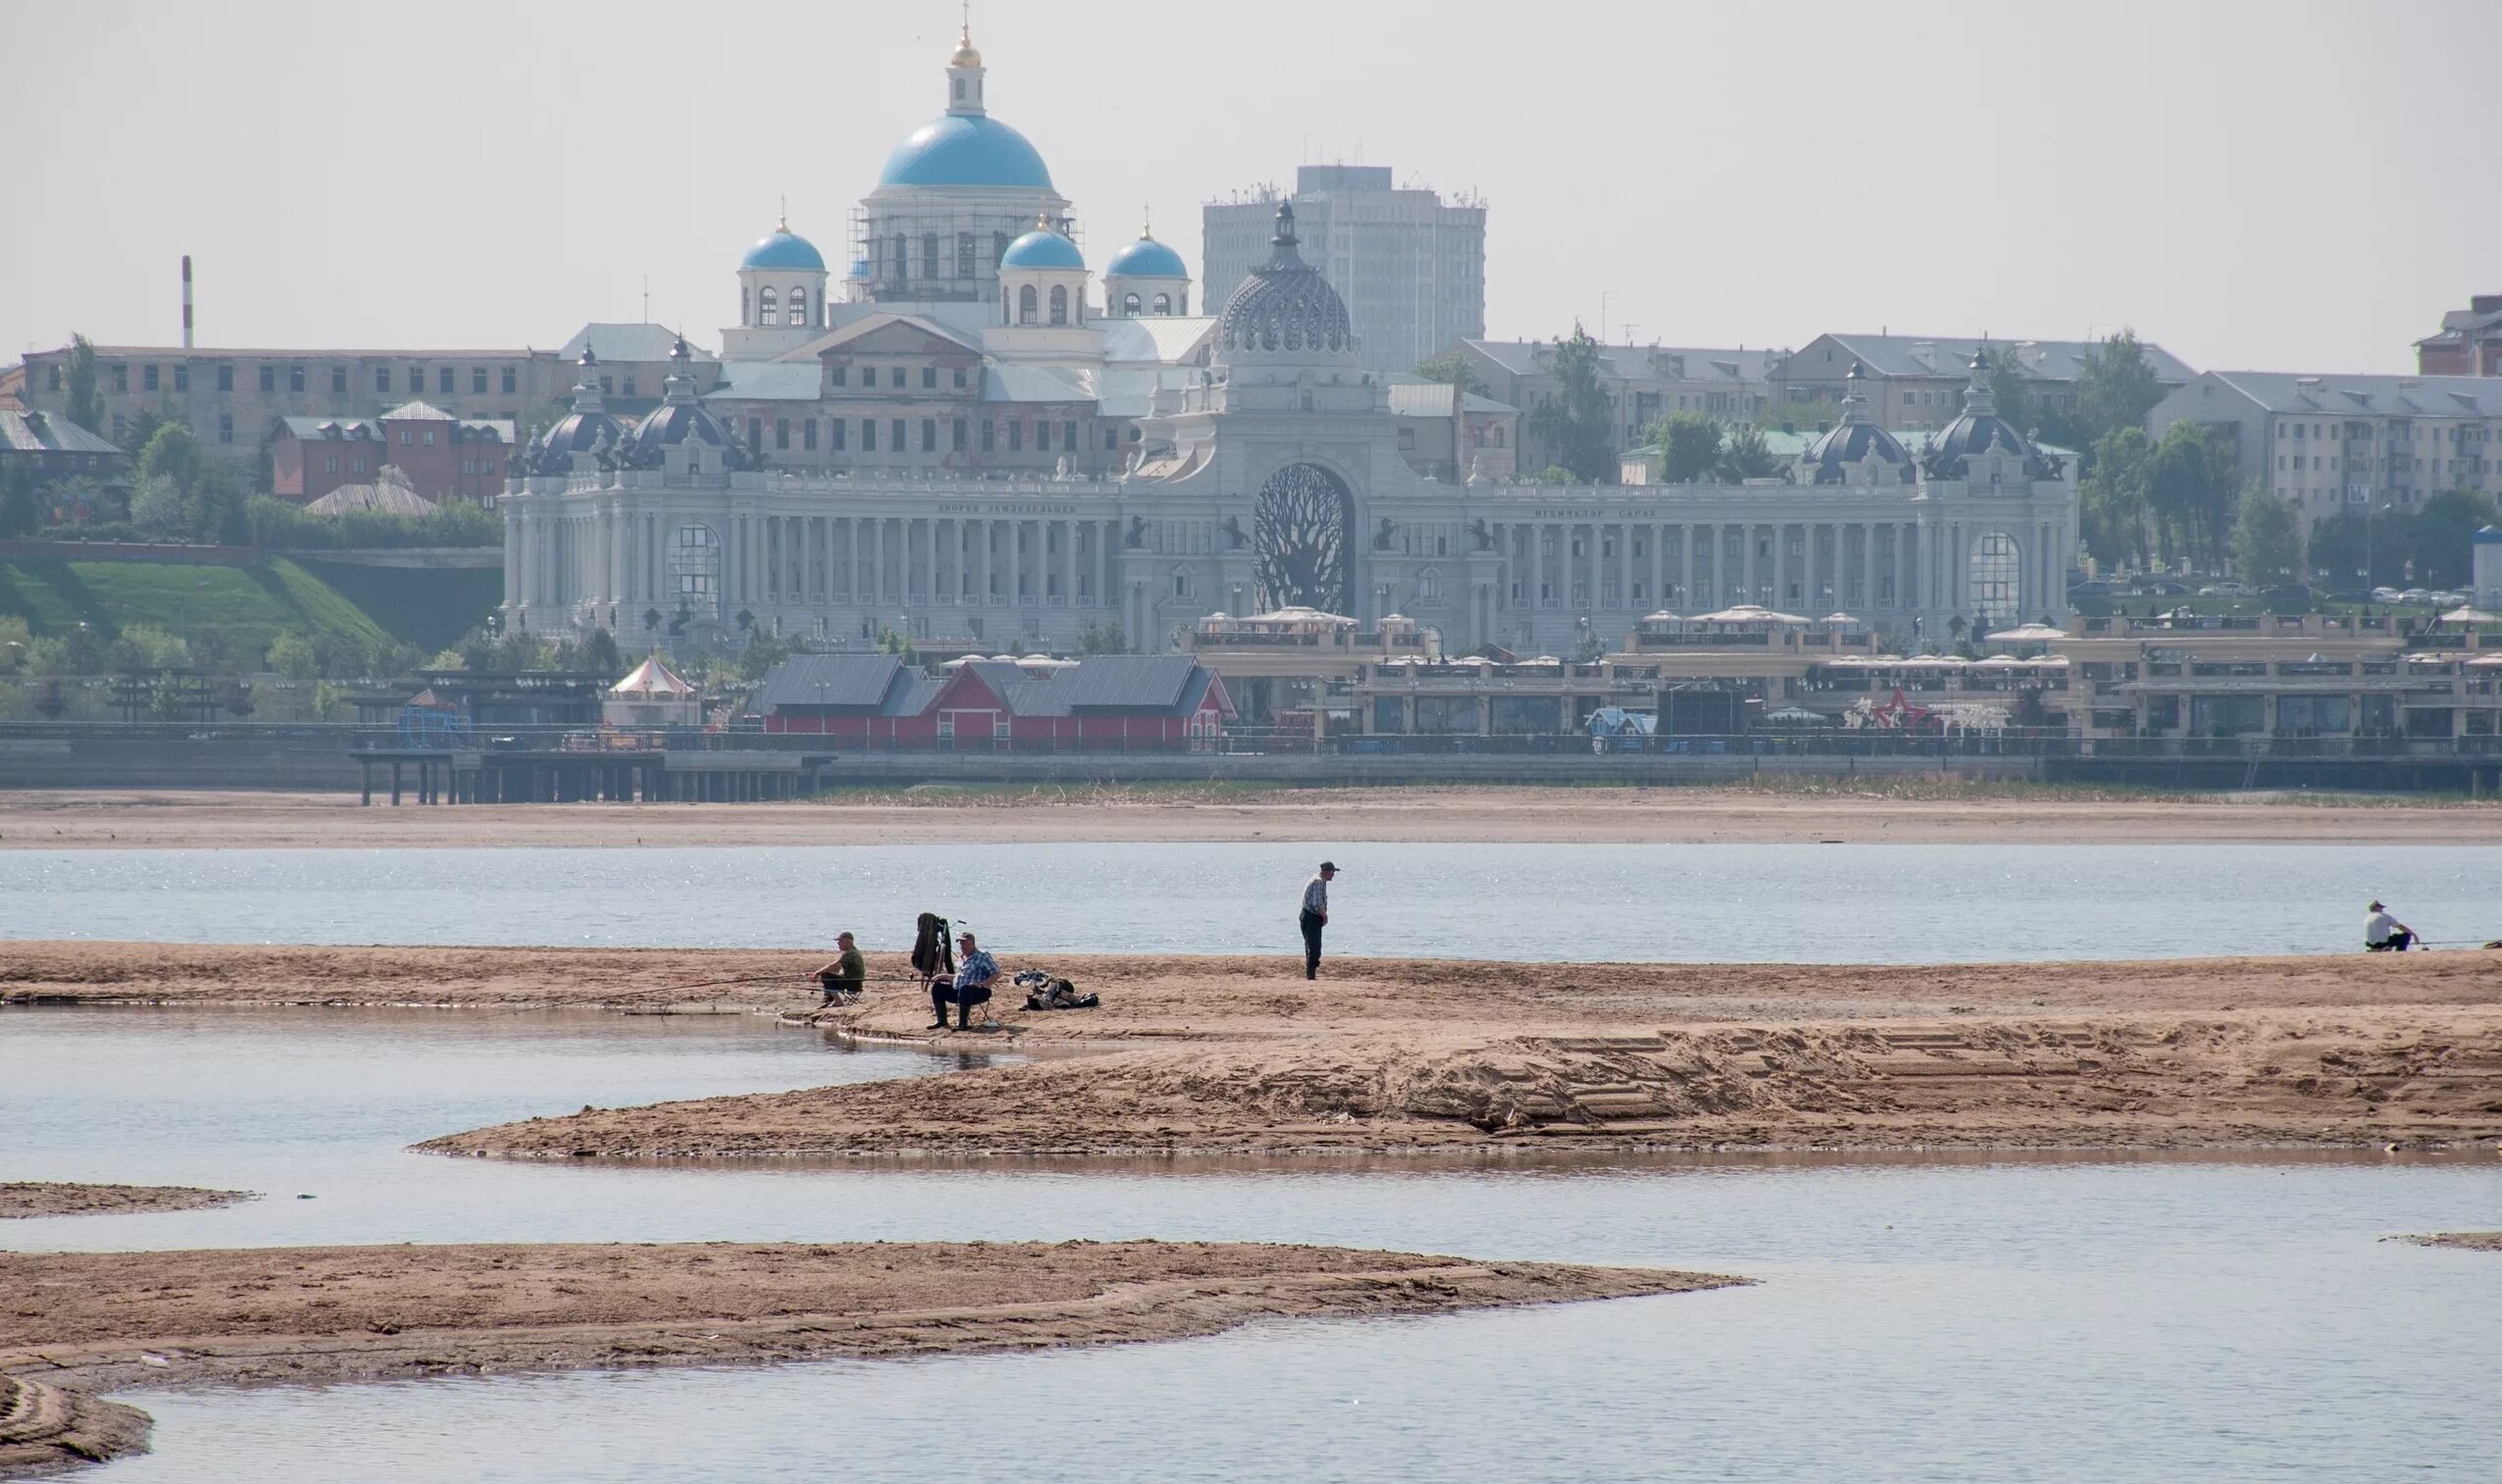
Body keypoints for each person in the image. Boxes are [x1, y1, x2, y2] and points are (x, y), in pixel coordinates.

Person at [932, 930, 999, 1030]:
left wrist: (982, 984)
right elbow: (959, 977)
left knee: (965, 989)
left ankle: (963, 1024)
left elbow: (997, 973)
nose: (962, 946)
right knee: (937, 988)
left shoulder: (982, 955)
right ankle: (942, 1021)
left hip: (979, 991)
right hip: (960, 991)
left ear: (972, 943)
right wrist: (943, 976)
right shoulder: (962, 958)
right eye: (961, 944)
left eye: (965, 943)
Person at [1299, 861, 1338, 981]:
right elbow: (1316, 904)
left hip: (1311, 916)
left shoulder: (1320, 881)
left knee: (1311, 946)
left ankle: (1311, 974)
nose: (1333, 875)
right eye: (1332, 872)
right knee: (1314, 947)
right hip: (1311, 916)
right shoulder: (1318, 881)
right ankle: (1310, 976)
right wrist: (1325, 916)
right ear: (1326, 871)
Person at [812, 932, 865, 1006]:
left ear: (849, 942)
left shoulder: (850, 953)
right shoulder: (854, 951)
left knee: (825, 975)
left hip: (852, 985)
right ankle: (827, 1000)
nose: (838, 943)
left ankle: (838, 1002)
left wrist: (817, 973)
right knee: (829, 976)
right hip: (855, 984)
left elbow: (835, 966)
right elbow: (837, 969)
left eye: (841, 941)